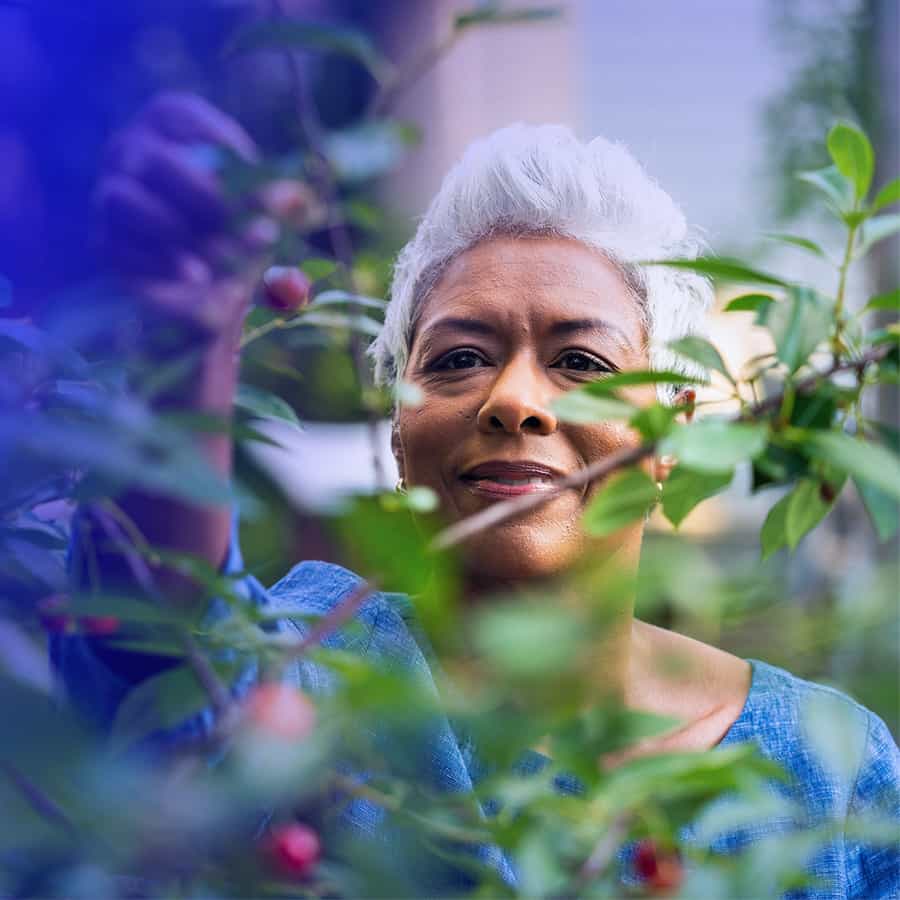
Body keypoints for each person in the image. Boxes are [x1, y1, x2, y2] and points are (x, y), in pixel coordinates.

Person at [52, 92, 899, 897]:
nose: (515, 400)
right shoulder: (318, 677)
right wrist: (188, 352)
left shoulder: (837, 772)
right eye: (458, 358)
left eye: (583, 363)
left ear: (673, 435)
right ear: (398, 430)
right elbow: (174, 677)